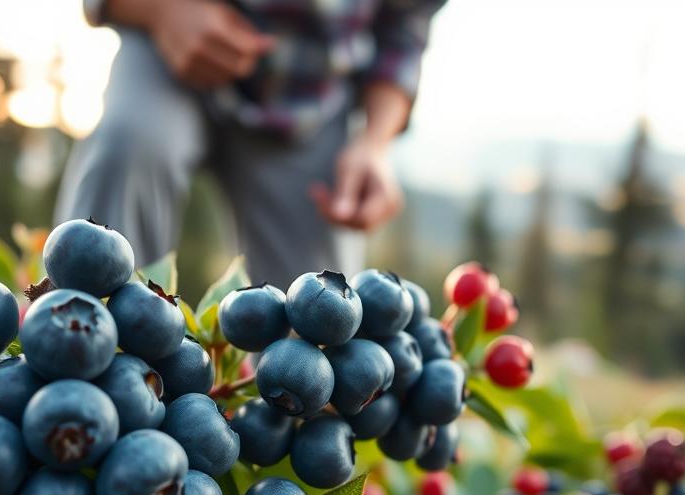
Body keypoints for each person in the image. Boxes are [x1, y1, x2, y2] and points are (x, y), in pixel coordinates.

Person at [55, 0, 446, 288]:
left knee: (318, 322)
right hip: (165, 50)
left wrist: (374, 142)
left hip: (309, 103)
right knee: (128, 147)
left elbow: (406, 24)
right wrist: (161, 11)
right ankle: (77, 359)